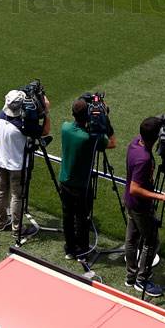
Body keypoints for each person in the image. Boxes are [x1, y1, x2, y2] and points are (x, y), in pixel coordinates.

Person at [124, 116, 165, 298]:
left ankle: (131, 276)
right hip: (140, 206)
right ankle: (142, 279)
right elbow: (135, 188)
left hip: (130, 204)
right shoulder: (144, 158)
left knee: (131, 239)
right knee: (151, 241)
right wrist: (161, 196)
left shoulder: (134, 144)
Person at [58, 95, 115, 260]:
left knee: (68, 217)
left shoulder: (65, 128)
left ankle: (70, 249)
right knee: (82, 218)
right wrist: (105, 120)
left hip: (65, 181)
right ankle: (82, 251)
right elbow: (112, 143)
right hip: (81, 186)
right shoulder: (89, 138)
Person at [0, 87, 48, 239]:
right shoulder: (23, 125)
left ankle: (0, 221)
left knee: (1, 190)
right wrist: (45, 112)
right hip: (17, 165)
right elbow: (45, 131)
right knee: (17, 196)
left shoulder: (0, 116)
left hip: (0, 161)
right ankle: (17, 229)